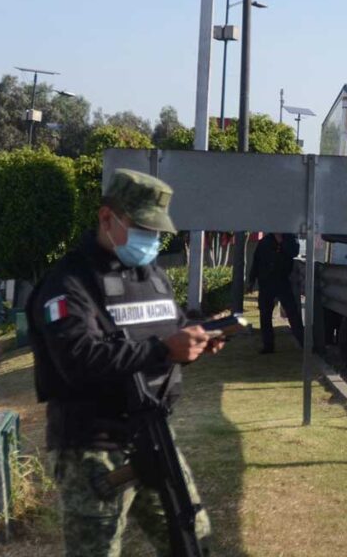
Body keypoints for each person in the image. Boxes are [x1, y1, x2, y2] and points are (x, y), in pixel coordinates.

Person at [28, 168, 222, 555]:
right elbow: (78, 360)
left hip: (154, 436)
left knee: (193, 542)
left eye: (156, 232)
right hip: (91, 447)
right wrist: (164, 349)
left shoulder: (152, 277)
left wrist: (199, 339)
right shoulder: (69, 283)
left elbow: (172, 328)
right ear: (106, 217)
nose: (150, 239)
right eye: (142, 228)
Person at [248, 232, 303, 354]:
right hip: (266, 282)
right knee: (265, 314)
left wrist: (281, 241)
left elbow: (293, 252)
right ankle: (268, 345)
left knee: (292, 312)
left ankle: (303, 342)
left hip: (282, 281)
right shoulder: (264, 241)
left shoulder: (290, 238)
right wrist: (251, 280)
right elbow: (256, 261)